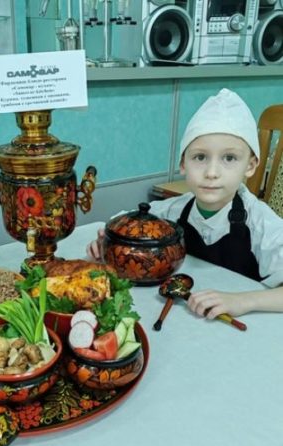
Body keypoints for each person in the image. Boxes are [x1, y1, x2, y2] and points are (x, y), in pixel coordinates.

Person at [87, 88, 283, 318]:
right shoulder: (173, 210)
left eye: (229, 158)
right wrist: (106, 244)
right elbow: (126, 223)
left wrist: (242, 301)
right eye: (200, 157)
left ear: (250, 165)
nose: (211, 172)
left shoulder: (263, 225)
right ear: (183, 163)